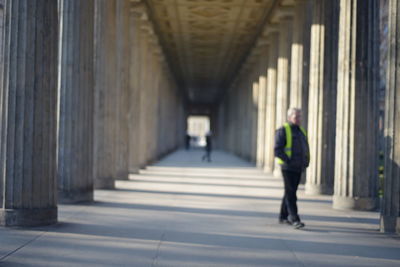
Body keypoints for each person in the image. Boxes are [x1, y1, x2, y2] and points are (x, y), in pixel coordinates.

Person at [274, 108, 309, 229]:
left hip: (298, 167)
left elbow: (305, 148)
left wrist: (306, 162)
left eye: (300, 116)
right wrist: (288, 161)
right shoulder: (283, 130)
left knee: (290, 192)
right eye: (296, 116)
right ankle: (294, 218)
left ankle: (283, 216)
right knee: (291, 193)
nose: (299, 119)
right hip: (288, 168)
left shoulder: (301, 131)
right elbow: (277, 149)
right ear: (289, 117)